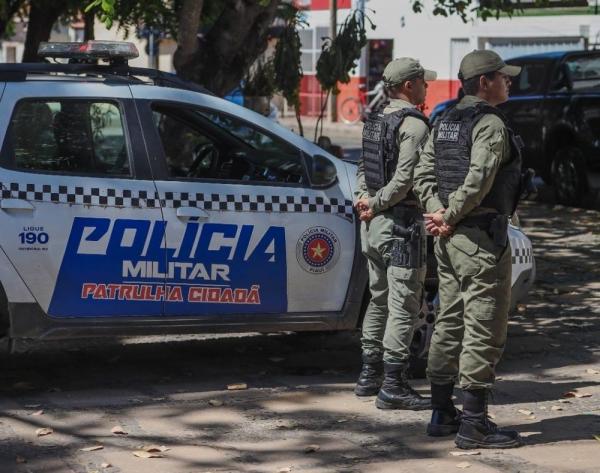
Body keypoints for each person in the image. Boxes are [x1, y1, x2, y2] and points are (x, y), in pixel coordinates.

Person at [413, 50, 524, 448]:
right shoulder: (490, 123)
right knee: (483, 326)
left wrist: (437, 212)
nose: (508, 82)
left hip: (448, 239)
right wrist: (451, 213)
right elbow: (479, 178)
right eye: (502, 77)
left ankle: (442, 413)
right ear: (484, 83)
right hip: (477, 239)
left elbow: (423, 172)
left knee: (449, 320)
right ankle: (473, 423)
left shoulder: (444, 120)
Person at [354, 57, 437, 410]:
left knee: (379, 299)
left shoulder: (375, 121)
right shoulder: (414, 126)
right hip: (400, 225)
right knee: (404, 304)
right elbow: (405, 180)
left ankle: (368, 375)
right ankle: (393, 384)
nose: (426, 86)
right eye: (421, 81)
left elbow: (363, 167)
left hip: (372, 228)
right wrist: (376, 203)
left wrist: (364, 200)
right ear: (408, 86)